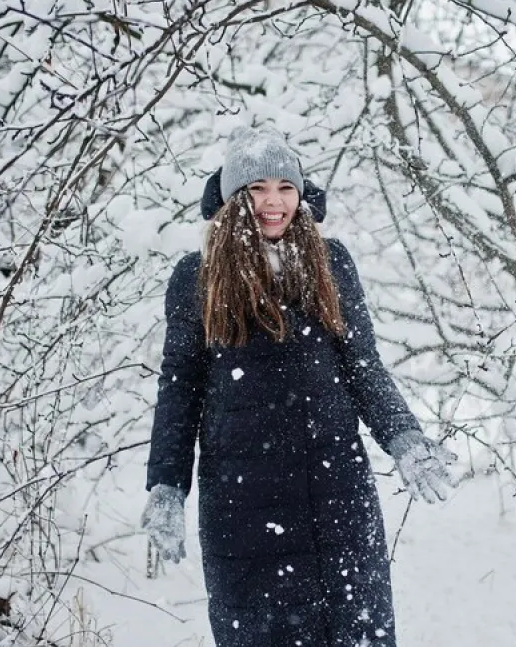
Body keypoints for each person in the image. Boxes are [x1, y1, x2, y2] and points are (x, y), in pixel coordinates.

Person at [141, 125, 456, 647]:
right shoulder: (197, 278)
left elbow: (363, 367)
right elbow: (180, 389)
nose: (273, 201)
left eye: (286, 187)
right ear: (232, 196)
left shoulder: (330, 264)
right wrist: (167, 486)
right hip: (243, 507)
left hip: (337, 500)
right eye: (258, 188)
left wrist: (404, 438)